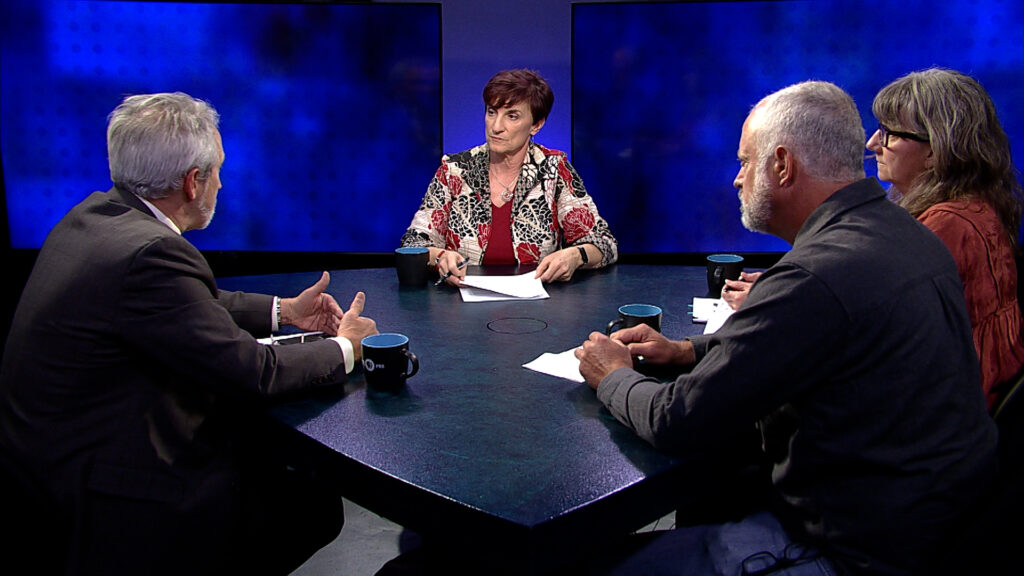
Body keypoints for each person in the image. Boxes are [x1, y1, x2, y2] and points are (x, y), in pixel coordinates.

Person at [575, 81, 996, 575]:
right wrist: (687, 350)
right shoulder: (903, 233)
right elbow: (801, 336)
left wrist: (613, 373)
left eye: (745, 161)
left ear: (782, 165)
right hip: (933, 535)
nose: (737, 179)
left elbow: (676, 420)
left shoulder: (817, 273)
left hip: (851, 554)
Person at [0, 92, 378, 575]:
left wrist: (284, 311)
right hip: (111, 497)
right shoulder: (153, 254)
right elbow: (253, 373)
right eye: (217, 170)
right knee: (311, 504)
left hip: (50, 472)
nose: (222, 182)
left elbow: (186, 305)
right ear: (193, 182)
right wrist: (346, 346)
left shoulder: (93, 219)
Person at [866, 68, 1024, 411]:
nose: (873, 144)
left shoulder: (945, 227)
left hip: (944, 419)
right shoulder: (975, 206)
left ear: (936, 151)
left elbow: (877, 335)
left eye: (888, 133)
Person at [400, 69, 618, 285]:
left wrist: (574, 256)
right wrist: (439, 257)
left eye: (512, 116)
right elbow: (412, 246)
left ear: (536, 124)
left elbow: (605, 244)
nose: (496, 127)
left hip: (537, 311)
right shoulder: (455, 171)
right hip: (459, 307)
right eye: (491, 112)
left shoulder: (553, 170)